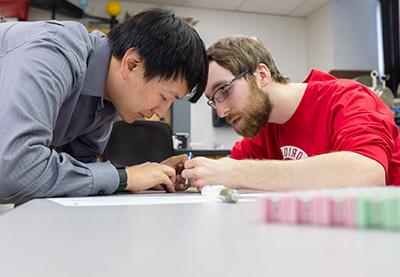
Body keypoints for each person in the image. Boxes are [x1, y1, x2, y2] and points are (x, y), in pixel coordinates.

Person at [0, 8, 208, 204]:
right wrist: (125, 177)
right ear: (132, 64)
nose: (160, 113)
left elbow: (77, 174)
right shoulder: (52, 53)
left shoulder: (108, 99)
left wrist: (144, 177)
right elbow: (16, 171)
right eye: (164, 97)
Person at [182, 35, 400, 191]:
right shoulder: (264, 126)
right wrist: (188, 174)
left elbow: (367, 174)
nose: (221, 111)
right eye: (214, 101)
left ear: (261, 74)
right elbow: (225, 170)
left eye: (225, 90)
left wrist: (236, 173)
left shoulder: (347, 98)